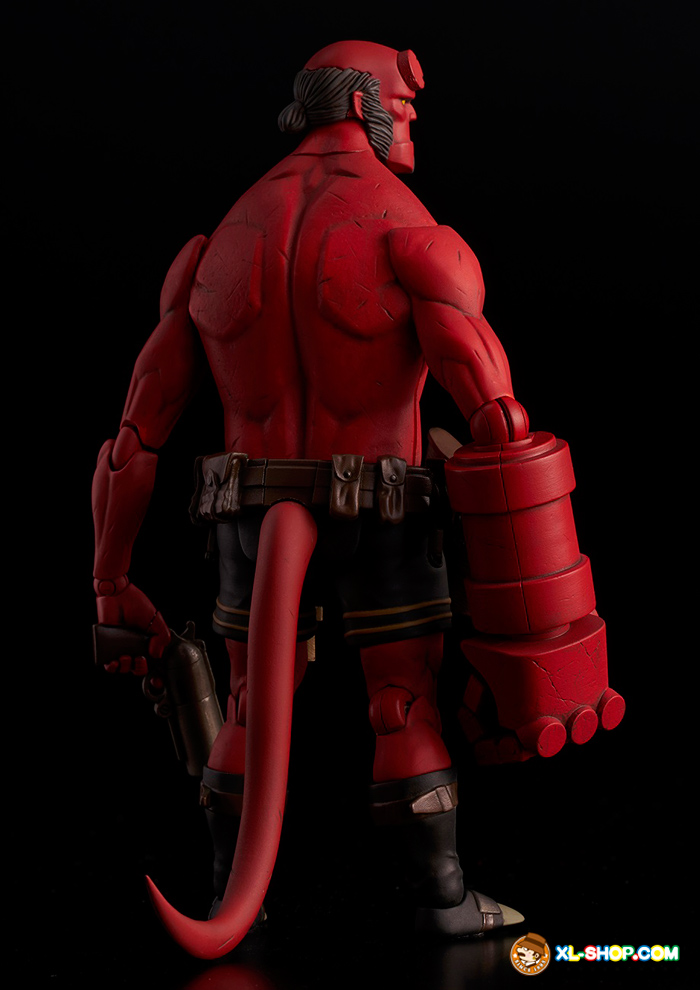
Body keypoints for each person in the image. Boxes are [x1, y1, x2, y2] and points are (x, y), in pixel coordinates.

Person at [93, 41, 621, 960]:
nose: (412, 124)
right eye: (405, 109)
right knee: (400, 703)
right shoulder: (406, 230)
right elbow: (494, 414)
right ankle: (440, 899)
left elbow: (137, 432)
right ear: (365, 107)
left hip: (247, 511)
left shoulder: (223, 238)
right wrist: (544, 614)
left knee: (249, 702)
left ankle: (233, 899)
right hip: (380, 513)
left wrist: (109, 580)